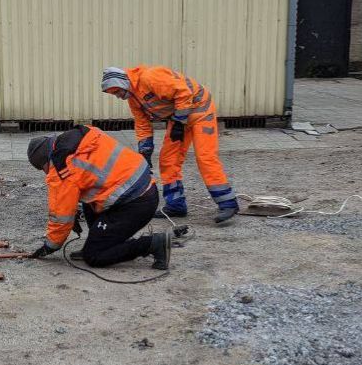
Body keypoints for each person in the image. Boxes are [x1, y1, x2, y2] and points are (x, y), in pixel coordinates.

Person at [101, 65, 238, 224]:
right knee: (168, 160)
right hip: (179, 117)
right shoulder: (133, 98)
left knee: (205, 157)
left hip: (200, 110)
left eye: (117, 91)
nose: (118, 96)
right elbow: (142, 124)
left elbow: (183, 92)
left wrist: (180, 122)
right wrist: (145, 152)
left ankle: (228, 203)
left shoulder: (150, 77)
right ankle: (176, 205)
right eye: (114, 94)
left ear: (123, 82)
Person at [26, 127, 171, 270]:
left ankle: (152, 243)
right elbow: (86, 178)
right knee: (88, 202)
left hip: (135, 204)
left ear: (44, 161)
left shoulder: (60, 165)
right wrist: (73, 211)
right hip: (141, 189)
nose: (45, 173)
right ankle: (100, 241)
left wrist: (50, 246)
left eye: (42, 169)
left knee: (94, 255)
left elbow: (60, 216)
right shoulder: (81, 136)